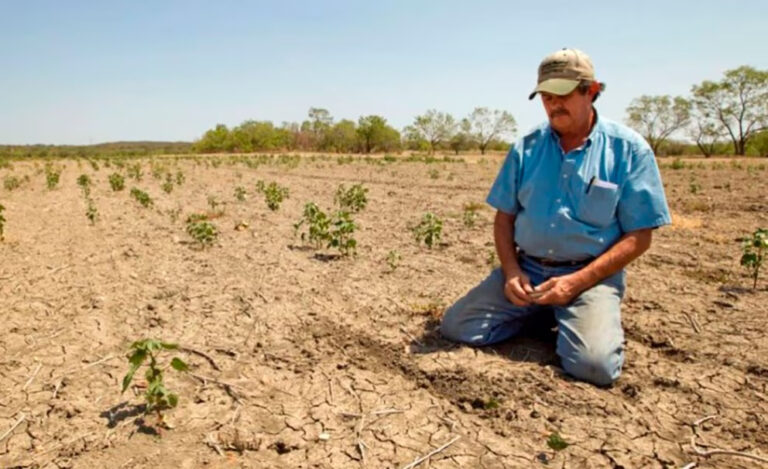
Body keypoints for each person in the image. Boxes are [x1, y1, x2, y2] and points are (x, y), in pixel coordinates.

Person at [440, 48, 671, 387]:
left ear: (591, 91)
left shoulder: (629, 149)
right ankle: (541, 312)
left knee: (594, 367)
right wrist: (511, 271)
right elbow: (504, 218)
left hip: (588, 277)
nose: (553, 104)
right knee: (457, 327)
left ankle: (578, 317)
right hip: (528, 271)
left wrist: (575, 283)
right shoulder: (526, 148)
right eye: (546, 96)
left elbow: (640, 236)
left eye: (562, 94)